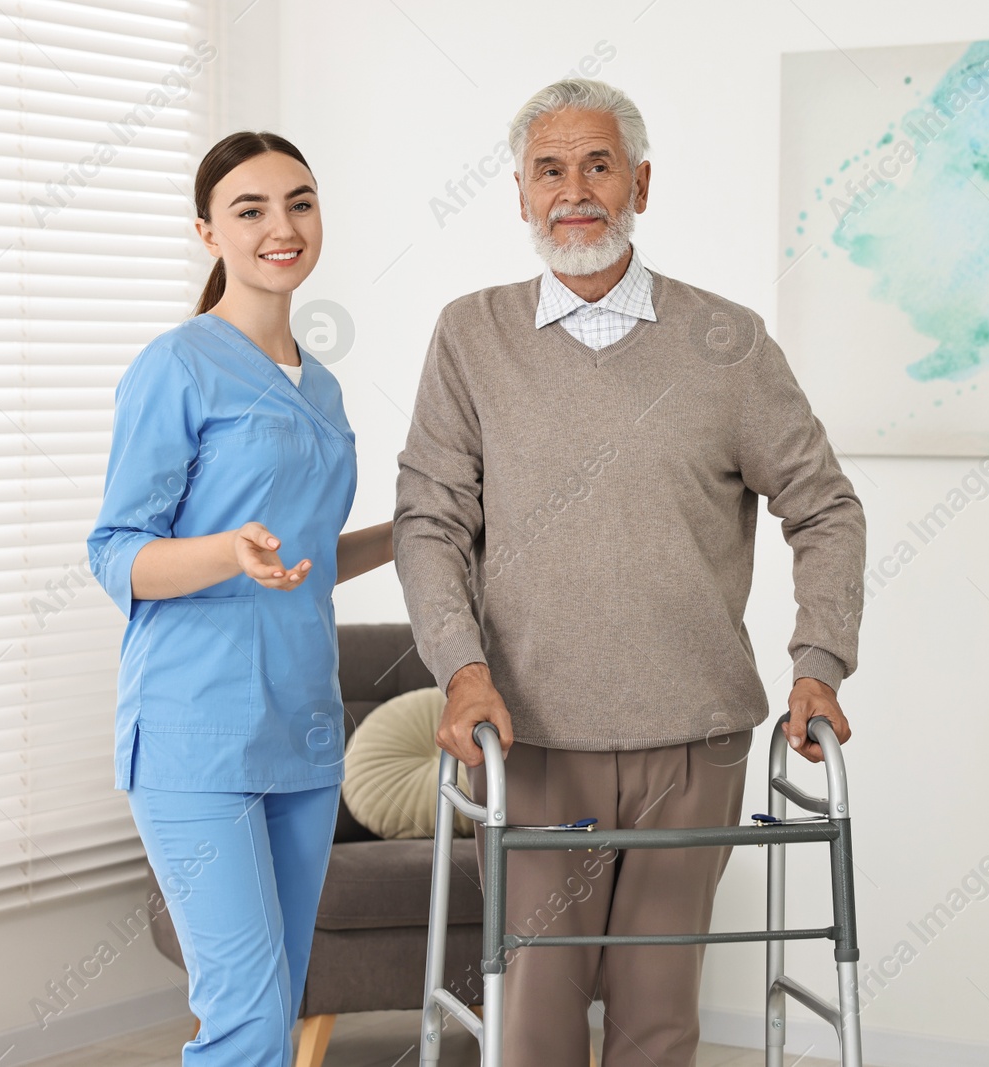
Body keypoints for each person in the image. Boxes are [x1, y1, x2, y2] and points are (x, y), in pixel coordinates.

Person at [392, 79, 867, 1066]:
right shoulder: (470, 336)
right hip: (526, 738)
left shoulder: (726, 342)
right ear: (521, 194)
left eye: (598, 164)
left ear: (640, 183)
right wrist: (459, 665)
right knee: (534, 1017)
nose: (576, 190)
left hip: (692, 738)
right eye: (550, 169)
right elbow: (430, 519)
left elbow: (823, 505)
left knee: (658, 1018)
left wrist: (818, 656)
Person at [86, 130, 392, 1067]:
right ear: (207, 232)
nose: (281, 226)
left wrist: (410, 533)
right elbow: (117, 556)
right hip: (193, 733)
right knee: (247, 1021)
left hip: (298, 733)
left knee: (282, 1002)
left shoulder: (326, 386)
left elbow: (296, 568)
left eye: (299, 202)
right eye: (250, 209)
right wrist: (225, 552)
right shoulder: (176, 366)